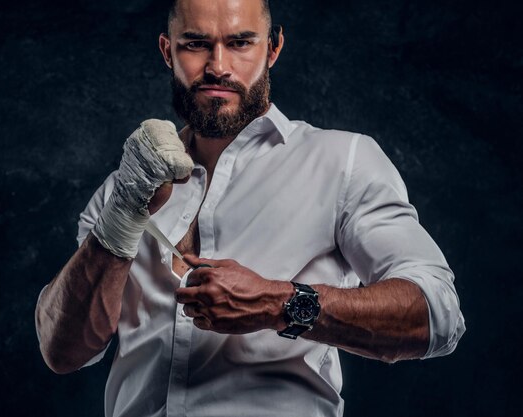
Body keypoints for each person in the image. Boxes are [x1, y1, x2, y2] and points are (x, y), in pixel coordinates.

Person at [35, 0, 466, 416]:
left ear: (273, 48)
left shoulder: (342, 160)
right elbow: (63, 351)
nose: (218, 65)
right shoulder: (128, 184)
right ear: (168, 50)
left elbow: (437, 314)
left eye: (241, 43)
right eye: (196, 43)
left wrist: (278, 304)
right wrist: (124, 211)